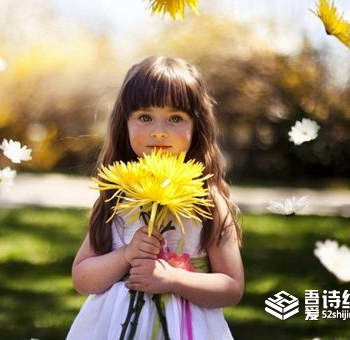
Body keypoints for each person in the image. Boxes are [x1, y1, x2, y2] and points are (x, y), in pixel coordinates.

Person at [67, 56, 244, 339]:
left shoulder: (207, 201)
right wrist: (126, 255)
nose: (159, 131)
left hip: (185, 328)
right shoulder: (117, 195)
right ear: (124, 123)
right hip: (116, 328)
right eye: (145, 117)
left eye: (175, 118)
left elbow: (231, 288)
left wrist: (173, 279)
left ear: (196, 127)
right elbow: (82, 278)